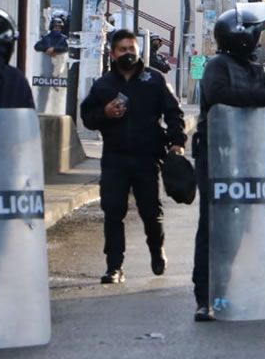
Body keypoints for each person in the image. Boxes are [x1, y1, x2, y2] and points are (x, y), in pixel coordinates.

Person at [191, 8, 265, 322]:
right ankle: (205, 297)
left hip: (247, 157)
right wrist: (257, 96)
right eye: (255, 34)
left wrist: (258, 95)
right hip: (217, 157)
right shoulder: (218, 66)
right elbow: (219, 95)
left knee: (238, 228)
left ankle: (225, 288)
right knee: (214, 225)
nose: (259, 40)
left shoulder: (254, 68)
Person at [80, 29, 186, 285]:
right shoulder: (104, 85)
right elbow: (87, 117)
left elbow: (174, 113)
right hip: (114, 158)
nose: (128, 53)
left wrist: (176, 143)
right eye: (123, 49)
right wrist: (104, 112)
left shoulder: (155, 80)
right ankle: (114, 266)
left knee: (150, 211)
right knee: (113, 212)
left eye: (132, 49)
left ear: (139, 51)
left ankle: (156, 250)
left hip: (147, 157)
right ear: (113, 53)